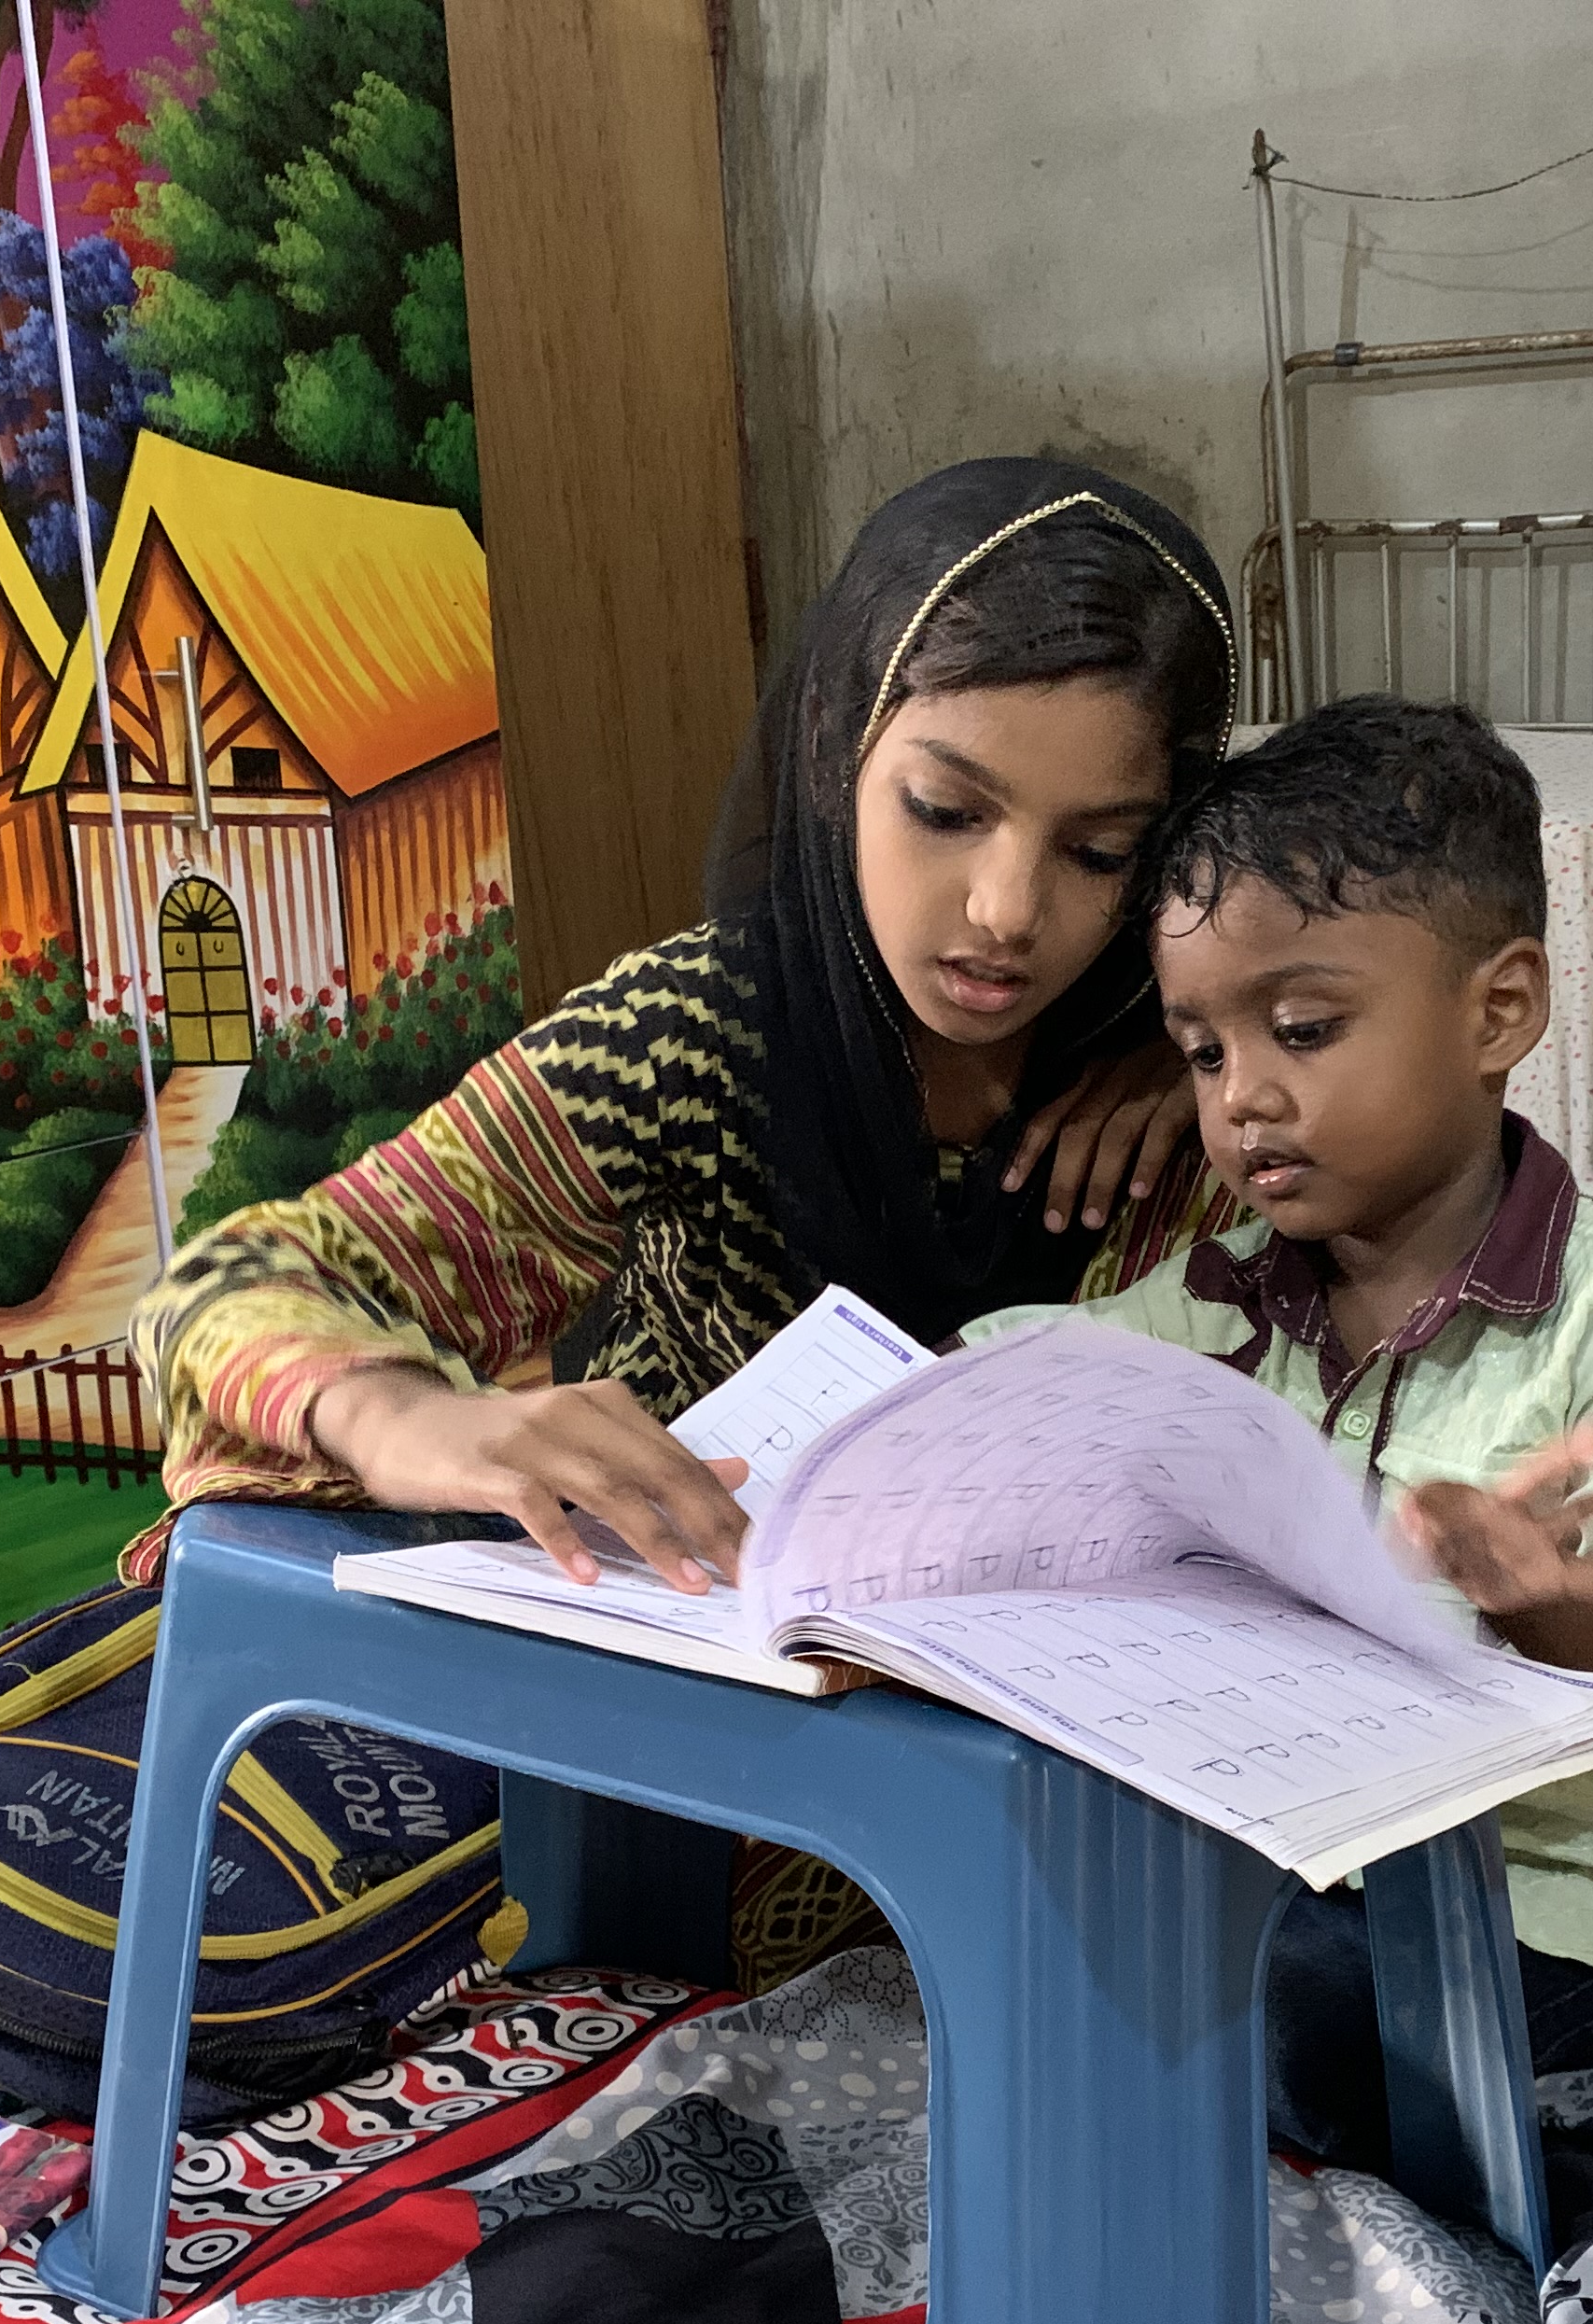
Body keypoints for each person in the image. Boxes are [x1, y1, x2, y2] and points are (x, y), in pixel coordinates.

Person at [128, 459, 1245, 1588]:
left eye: (1102, 851)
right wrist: (399, 1415)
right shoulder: (694, 1038)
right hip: (690, 1662)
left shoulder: (1203, 1079)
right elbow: (221, 1289)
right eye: (946, 812)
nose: (1007, 911)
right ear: (833, 749)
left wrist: (1213, 1044)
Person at [965, 694, 1593, 2163]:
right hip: (1314, 1829)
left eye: (1305, 1030)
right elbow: (1040, 1365)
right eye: (1201, 1053)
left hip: (1546, 1905)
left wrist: (1547, 1600)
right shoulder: (1235, 1293)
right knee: (1044, 1908)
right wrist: (870, 1415)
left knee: (1249, 2020)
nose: (1242, 1100)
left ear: (1498, 1012)